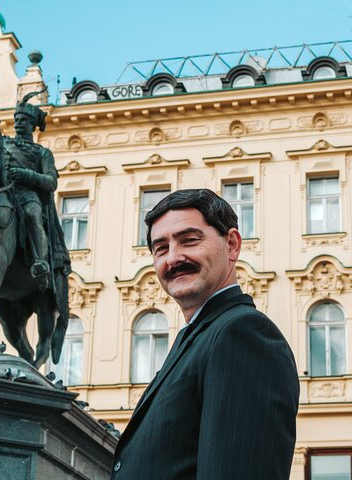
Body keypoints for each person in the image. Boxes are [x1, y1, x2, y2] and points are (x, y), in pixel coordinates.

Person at [111, 188, 299, 480]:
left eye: (189, 240)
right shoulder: (198, 338)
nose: (173, 258)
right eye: (161, 248)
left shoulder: (241, 333)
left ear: (232, 245)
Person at [3, 90, 70, 291]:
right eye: (16, 119)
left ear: (32, 125)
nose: (18, 123)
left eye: (23, 120)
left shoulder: (42, 153)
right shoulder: (4, 143)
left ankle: (41, 262)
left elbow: (51, 182)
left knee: (33, 214)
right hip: (2, 191)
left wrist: (25, 175)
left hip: (26, 194)